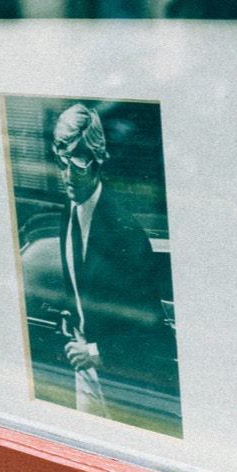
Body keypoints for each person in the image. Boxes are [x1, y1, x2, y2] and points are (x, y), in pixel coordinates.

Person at [52, 102, 179, 423]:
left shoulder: (126, 234)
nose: (67, 175)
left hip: (121, 378)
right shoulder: (69, 210)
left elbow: (152, 331)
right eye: (62, 161)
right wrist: (73, 314)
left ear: (97, 162)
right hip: (85, 369)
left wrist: (95, 353)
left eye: (78, 162)